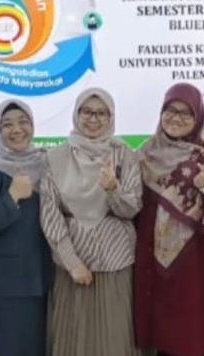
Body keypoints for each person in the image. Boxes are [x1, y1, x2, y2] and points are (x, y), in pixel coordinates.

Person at [134, 83, 204, 356]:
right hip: (156, 262)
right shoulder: (145, 155)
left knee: (200, 334)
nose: (176, 118)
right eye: (170, 110)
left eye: (186, 113)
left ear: (198, 116)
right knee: (165, 336)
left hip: (202, 263)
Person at [41, 88, 143, 356]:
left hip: (115, 262)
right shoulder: (56, 157)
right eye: (87, 112)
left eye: (101, 113)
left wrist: (113, 189)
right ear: (76, 114)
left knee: (113, 337)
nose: (93, 119)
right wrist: (72, 263)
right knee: (75, 337)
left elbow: (132, 208)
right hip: (72, 265)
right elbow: (50, 214)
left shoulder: (124, 154)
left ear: (111, 117)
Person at [0, 99, 52, 356]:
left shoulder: (45, 163)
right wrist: (12, 197)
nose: (17, 130)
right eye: (7, 124)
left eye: (23, 122)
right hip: (4, 285)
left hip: (42, 279)